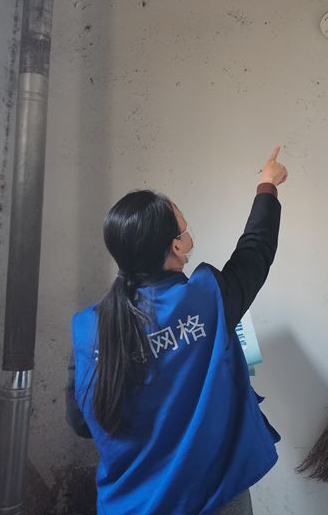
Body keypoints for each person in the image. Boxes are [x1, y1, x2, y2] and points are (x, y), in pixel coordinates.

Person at [66, 147, 288, 514]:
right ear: (176, 245)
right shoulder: (206, 300)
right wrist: (268, 184)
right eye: (184, 228)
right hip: (211, 499)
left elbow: (81, 423)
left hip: (130, 505)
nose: (188, 235)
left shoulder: (89, 327)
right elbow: (255, 251)